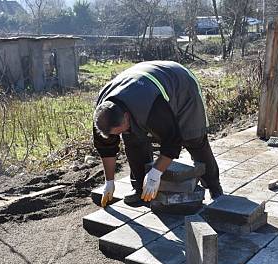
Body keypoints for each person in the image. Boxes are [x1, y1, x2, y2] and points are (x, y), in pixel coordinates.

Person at [92, 60, 223, 207]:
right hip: (142, 84)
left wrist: (155, 174)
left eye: (120, 131)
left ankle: (214, 187)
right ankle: (140, 189)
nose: (119, 135)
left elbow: (172, 141)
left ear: (126, 116)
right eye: (116, 134)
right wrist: (109, 182)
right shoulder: (102, 115)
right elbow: (106, 148)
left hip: (181, 85)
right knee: (133, 141)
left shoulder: (152, 107)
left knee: (194, 139)